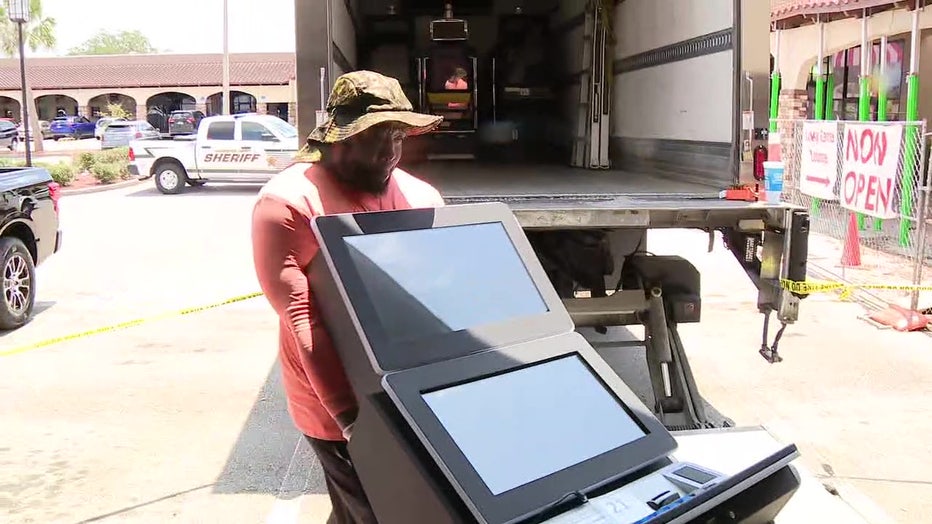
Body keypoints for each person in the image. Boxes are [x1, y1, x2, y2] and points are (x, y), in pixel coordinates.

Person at [250, 70, 444, 524]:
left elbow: (435, 298)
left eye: (397, 135)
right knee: (372, 511)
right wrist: (352, 420)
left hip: (410, 387)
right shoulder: (289, 204)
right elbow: (303, 320)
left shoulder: (422, 198)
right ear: (339, 138)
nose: (390, 152)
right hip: (335, 402)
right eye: (375, 136)